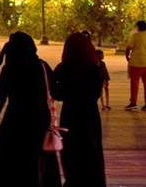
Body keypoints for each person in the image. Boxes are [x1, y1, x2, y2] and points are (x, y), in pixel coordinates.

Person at [0, 32, 61, 187]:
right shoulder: (42, 66)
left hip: (15, 119)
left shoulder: (10, 68)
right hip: (39, 120)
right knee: (36, 158)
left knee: (9, 159)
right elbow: (57, 91)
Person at [54, 33, 106, 187]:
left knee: (70, 153)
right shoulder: (94, 68)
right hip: (90, 117)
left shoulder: (63, 68)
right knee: (92, 152)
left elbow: (54, 92)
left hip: (70, 116)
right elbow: (96, 93)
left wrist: (69, 96)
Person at [125, 20, 146, 110]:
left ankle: (133, 102)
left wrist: (127, 57)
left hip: (136, 63)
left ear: (138, 27)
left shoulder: (136, 36)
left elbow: (128, 47)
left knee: (134, 83)